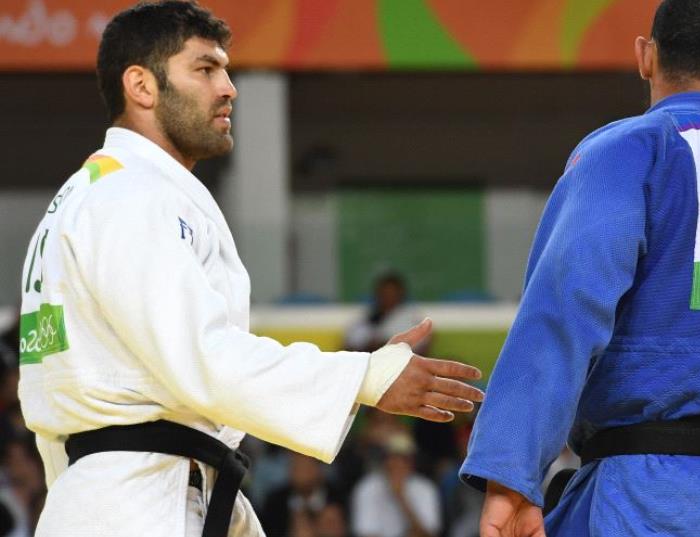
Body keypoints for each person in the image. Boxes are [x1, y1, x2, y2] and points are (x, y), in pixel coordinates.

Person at [17, 2, 483, 536]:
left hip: (117, 491)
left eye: (226, 69)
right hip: (136, 502)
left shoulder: (95, 193)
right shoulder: (130, 195)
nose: (229, 87)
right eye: (205, 68)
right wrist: (364, 376)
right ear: (141, 86)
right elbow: (204, 356)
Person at [459, 0, 700, 535]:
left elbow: (564, 311)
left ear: (645, 57)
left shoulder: (634, 150)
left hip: (649, 500)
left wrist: (511, 475)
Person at [351, 432, 441, 537]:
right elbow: (366, 533)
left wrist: (401, 497)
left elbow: (428, 534)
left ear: (412, 461)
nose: (398, 463)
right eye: (393, 457)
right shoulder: (368, 487)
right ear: (384, 460)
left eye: (404, 459)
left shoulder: (425, 488)